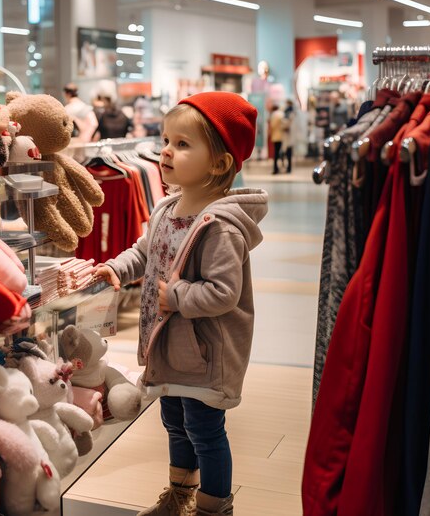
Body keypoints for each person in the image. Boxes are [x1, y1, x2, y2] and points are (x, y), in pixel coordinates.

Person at [92, 91, 268, 516]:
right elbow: (146, 250)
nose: (166, 150)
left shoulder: (221, 227)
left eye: (183, 144)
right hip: (167, 347)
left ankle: (213, 507)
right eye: (166, 139)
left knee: (205, 430)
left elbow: (224, 293)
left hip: (206, 351)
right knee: (174, 421)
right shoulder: (168, 207)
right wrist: (119, 266)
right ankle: (179, 495)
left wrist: (179, 296)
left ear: (219, 163)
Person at [269, 104, 284, 174]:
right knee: (281, 152)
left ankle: (276, 168)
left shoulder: (273, 115)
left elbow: (272, 125)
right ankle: (281, 166)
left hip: (275, 136)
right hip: (282, 136)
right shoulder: (282, 114)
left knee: (276, 153)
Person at [281, 99, 295, 173]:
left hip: (289, 136)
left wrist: (284, 125)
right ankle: (287, 167)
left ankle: (289, 168)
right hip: (287, 136)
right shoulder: (287, 112)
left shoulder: (290, 113)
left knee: (288, 153)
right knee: (286, 152)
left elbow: (288, 124)